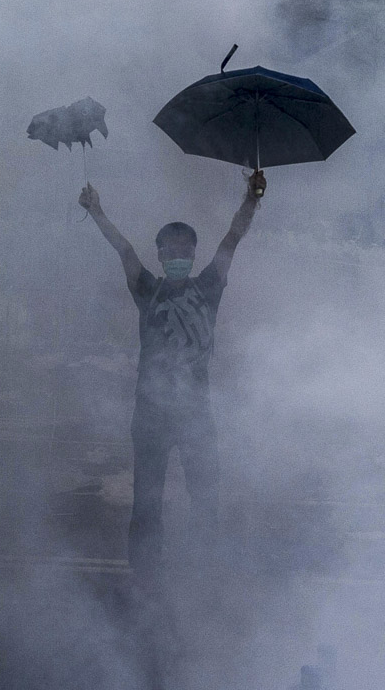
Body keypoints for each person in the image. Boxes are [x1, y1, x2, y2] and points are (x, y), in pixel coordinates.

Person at [78, 170, 265, 575]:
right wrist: (97, 211)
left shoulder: (209, 286)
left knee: (205, 497)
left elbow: (232, 239)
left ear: (194, 254)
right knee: (146, 501)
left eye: (185, 248)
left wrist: (251, 200)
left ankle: (204, 571)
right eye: (170, 249)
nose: (177, 255)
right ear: (161, 255)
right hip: (150, 415)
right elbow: (125, 250)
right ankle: (145, 578)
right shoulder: (149, 290)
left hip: (196, 414)